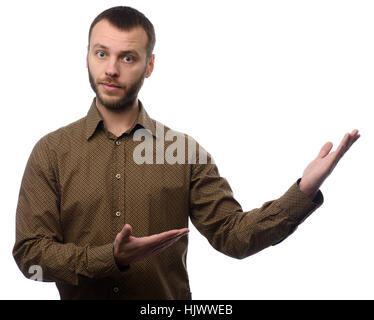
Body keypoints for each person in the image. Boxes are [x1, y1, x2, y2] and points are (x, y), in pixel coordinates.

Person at [12, 6, 360, 300]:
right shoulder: (51, 152)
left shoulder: (183, 152)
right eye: (101, 53)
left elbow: (233, 236)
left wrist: (303, 191)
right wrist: (109, 258)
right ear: (87, 55)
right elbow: (30, 256)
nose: (111, 69)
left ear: (149, 66)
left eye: (127, 57)